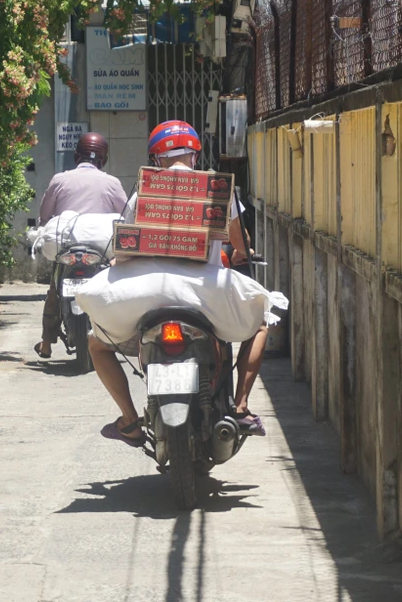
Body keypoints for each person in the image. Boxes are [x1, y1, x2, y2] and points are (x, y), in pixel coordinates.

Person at [89, 120, 268, 447]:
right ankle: (241, 407)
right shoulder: (216, 189)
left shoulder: (143, 190)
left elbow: (126, 248)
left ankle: (130, 421)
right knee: (261, 322)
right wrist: (246, 250)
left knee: (97, 344)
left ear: (157, 160)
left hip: (146, 295)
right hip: (205, 295)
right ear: (195, 157)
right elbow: (239, 244)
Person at [34, 132, 128, 359]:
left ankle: (46, 344)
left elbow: (45, 216)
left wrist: (47, 227)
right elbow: (128, 215)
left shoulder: (59, 180)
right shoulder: (111, 182)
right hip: (101, 251)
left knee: (54, 291)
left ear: (77, 156)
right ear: (103, 159)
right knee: (113, 288)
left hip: (66, 248)